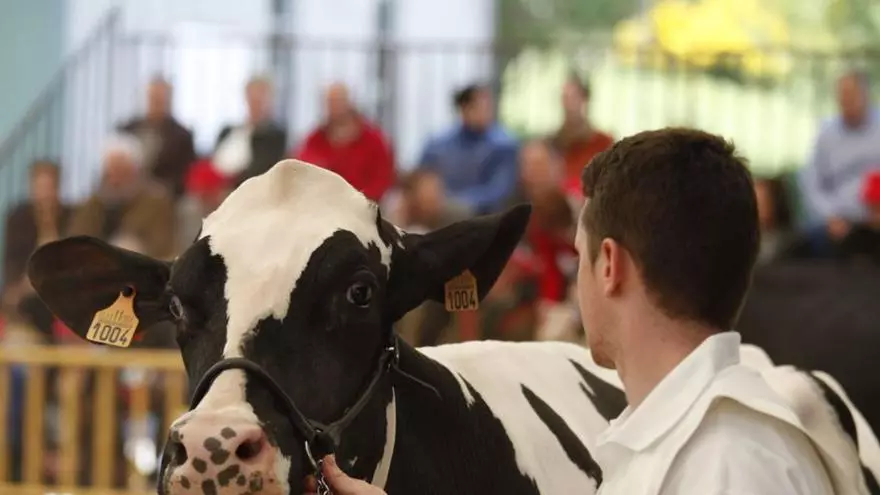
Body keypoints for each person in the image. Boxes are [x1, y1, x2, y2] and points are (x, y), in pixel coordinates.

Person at [309, 128, 846, 494]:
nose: (579, 279)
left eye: (581, 258)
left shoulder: (728, 463)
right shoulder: (669, 435)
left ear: (609, 265)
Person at [800, 69, 880, 256]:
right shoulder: (826, 133)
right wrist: (830, 216)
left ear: (865, 95)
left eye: (851, 95)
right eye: (842, 95)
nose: (846, 101)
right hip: (838, 220)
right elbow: (811, 185)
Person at [68, 133, 176, 260]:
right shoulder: (94, 203)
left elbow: (163, 247)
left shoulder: (156, 203)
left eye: (120, 171)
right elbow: (76, 238)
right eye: (110, 172)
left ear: (135, 172)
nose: (115, 180)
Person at [417, 84, 519, 214]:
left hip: (484, 216)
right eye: (477, 106)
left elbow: (499, 191)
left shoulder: (504, 146)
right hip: (438, 210)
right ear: (463, 108)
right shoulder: (438, 145)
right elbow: (421, 177)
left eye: (487, 106)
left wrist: (459, 202)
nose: (484, 111)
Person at [2, 160, 70, 339]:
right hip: (26, 294)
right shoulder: (19, 218)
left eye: (49, 187)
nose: (44, 195)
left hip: (62, 295)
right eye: (39, 187)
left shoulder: (70, 216)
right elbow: (13, 262)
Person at [294, 82, 395, 202]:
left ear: (350, 103)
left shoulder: (375, 140)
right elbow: (301, 171)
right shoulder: (315, 139)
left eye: (338, 101)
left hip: (365, 208)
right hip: (322, 206)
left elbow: (382, 180)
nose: (335, 107)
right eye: (330, 102)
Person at [119, 77, 197, 198]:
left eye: (161, 99)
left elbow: (185, 177)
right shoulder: (126, 131)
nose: (157, 103)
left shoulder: (182, 137)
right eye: (153, 98)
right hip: (125, 192)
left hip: (162, 195)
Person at [214, 75, 288, 187]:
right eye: (252, 98)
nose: (255, 104)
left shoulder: (275, 137)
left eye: (260, 99)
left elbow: (261, 170)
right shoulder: (228, 130)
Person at [552, 72, 614, 201]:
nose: (568, 105)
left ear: (585, 99)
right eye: (564, 98)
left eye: (573, 98)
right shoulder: (553, 143)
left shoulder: (603, 143)